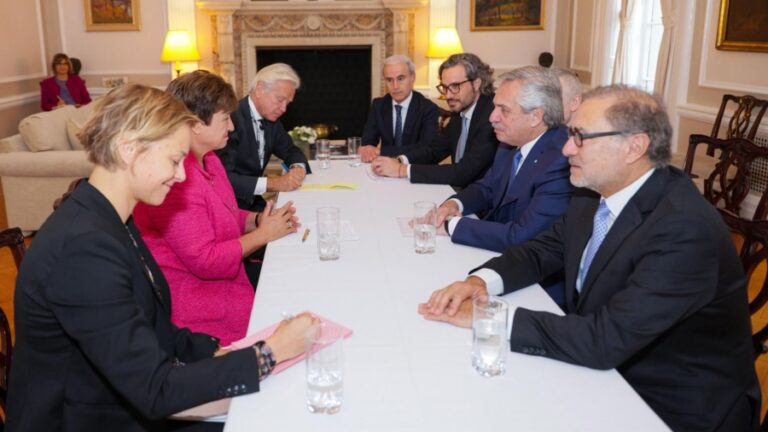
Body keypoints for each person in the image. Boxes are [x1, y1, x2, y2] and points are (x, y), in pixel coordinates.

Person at [419, 85, 761, 431]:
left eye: (580, 137)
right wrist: (479, 282)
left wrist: (490, 318)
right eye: (570, 134)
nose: (566, 148)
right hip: (606, 370)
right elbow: (543, 250)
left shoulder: (684, 229)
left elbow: (605, 340)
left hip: (671, 403)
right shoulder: (591, 194)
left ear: (635, 146)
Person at [7, 83, 317, 431]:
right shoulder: (83, 248)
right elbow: (154, 390)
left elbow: (152, 327)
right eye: (173, 160)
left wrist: (222, 349)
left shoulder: (110, 219)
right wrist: (268, 354)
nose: (182, 175)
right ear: (128, 150)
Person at [133, 71, 299, 346]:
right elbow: (206, 262)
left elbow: (227, 215)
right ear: (196, 124)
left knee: (296, 278)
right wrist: (264, 235)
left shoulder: (210, 160)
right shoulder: (174, 179)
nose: (232, 128)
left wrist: (259, 220)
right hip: (200, 309)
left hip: (229, 284)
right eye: (225, 119)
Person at [434, 66, 572, 304]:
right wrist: (454, 204)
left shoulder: (560, 160)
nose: (492, 117)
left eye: (503, 110)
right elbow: (487, 187)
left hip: (535, 287)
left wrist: (452, 226)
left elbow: (522, 236)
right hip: (493, 255)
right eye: (495, 107)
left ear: (535, 116)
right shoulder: (511, 141)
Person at [371, 53, 499, 189]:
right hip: (461, 190)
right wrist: (399, 160)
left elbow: (463, 172)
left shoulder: (492, 116)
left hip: (483, 201)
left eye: (455, 86)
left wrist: (402, 170)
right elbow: (435, 150)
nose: (448, 95)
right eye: (445, 87)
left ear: (476, 83)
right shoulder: (460, 109)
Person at [218, 63, 311, 212]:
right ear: (260, 89)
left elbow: (291, 150)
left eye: (288, 103)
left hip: (253, 201)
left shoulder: (271, 119)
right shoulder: (231, 119)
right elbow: (223, 178)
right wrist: (273, 183)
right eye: (280, 99)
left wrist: (297, 168)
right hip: (229, 205)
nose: (284, 109)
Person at [358, 55, 439, 163]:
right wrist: (367, 149)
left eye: (401, 78)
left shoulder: (428, 108)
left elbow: (425, 148)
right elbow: (368, 142)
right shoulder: (378, 105)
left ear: (412, 78)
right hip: (385, 167)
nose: (395, 86)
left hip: (416, 167)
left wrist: (381, 151)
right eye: (389, 80)